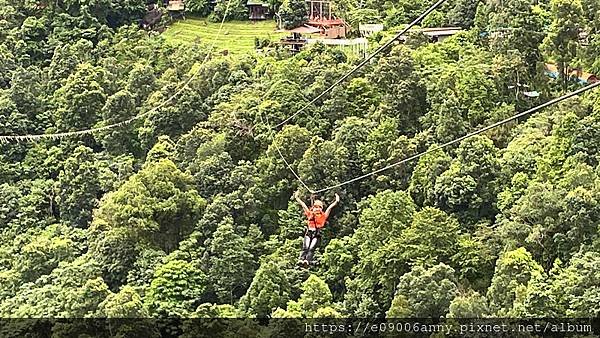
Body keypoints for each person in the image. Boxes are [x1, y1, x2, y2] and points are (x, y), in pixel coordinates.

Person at [294, 192, 340, 266]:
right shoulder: (310, 213)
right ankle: (301, 259)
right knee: (306, 246)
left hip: (316, 233)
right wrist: (297, 197)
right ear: (313, 208)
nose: (317, 209)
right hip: (309, 232)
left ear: (321, 209)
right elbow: (303, 205)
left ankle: (307, 260)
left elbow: (330, 208)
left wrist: (336, 201)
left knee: (311, 248)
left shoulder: (323, 216)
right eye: (316, 207)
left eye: (319, 207)